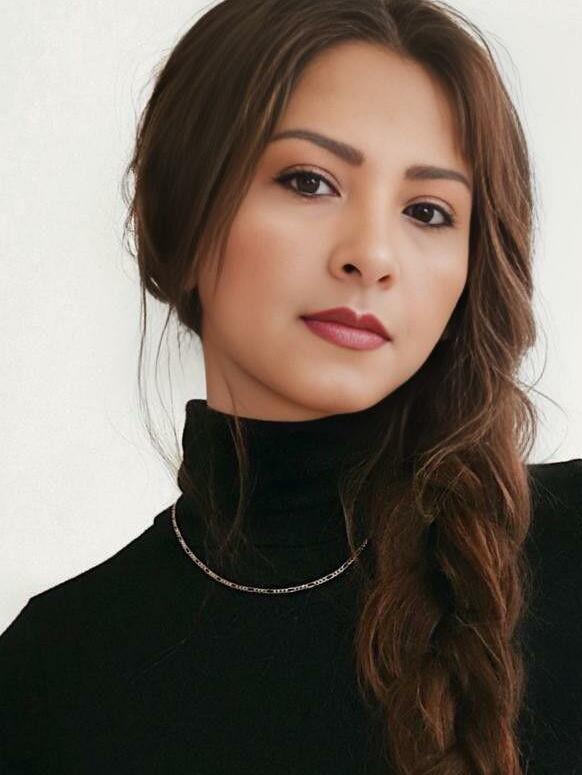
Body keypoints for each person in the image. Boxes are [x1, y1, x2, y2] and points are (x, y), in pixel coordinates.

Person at [1, 0, 581, 772]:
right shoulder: (52, 673)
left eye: (427, 210)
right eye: (309, 181)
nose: (372, 254)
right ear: (181, 211)